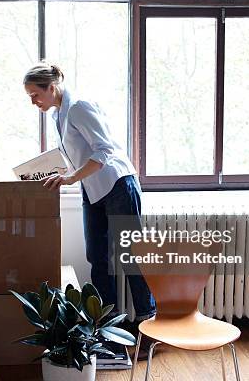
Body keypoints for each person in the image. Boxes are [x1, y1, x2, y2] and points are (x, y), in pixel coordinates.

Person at [23, 62, 155, 324]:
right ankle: (108, 323)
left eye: (35, 95)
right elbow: (77, 154)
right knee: (96, 256)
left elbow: (104, 150)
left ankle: (148, 323)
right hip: (92, 188)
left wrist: (71, 177)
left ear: (51, 87)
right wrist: (48, 172)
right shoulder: (57, 115)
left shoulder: (79, 106)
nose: (33, 102)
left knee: (132, 257)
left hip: (117, 184)